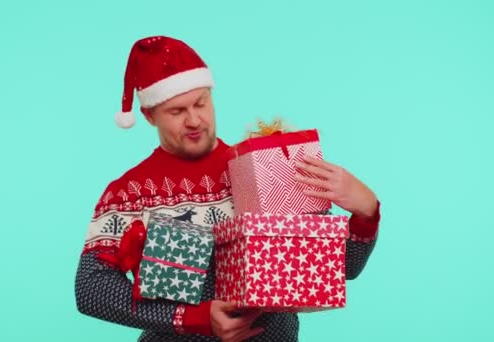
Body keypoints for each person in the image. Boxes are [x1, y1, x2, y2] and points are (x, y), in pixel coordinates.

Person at [75, 35, 381, 342]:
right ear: (149, 115)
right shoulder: (129, 192)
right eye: (177, 111)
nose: (194, 120)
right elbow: (91, 287)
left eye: (201, 103)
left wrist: (366, 212)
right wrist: (192, 317)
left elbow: (340, 269)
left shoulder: (262, 168)